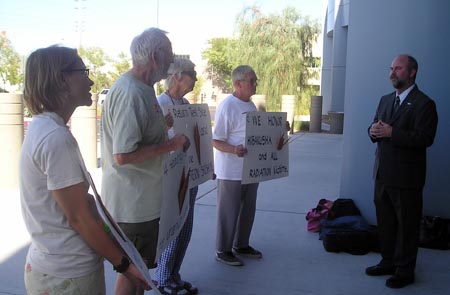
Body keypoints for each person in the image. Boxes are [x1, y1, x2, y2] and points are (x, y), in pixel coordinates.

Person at [19, 45, 150, 294]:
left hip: (51, 266)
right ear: (61, 80)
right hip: (68, 275)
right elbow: (78, 218)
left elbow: (76, 203)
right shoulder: (56, 138)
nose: (90, 80)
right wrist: (124, 265)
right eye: (83, 71)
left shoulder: (43, 128)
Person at [101, 28, 190, 295]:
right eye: (169, 57)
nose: (170, 65)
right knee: (132, 272)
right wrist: (172, 144)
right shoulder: (132, 92)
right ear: (155, 56)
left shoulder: (142, 88)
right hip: (133, 206)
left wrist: (161, 126)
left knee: (139, 273)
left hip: (141, 202)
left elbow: (138, 135)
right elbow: (123, 154)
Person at [367, 54, 438, 288]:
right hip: (383, 174)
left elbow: (425, 138)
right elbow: (375, 126)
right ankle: (387, 261)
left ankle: (405, 271)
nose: (392, 72)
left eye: (398, 68)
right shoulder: (385, 100)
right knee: (386, 222)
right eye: (391, 68)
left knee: (407, 226)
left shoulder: (424, 103)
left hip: (407, 178)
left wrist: (391, 133)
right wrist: (373, 131)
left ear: (412, 72)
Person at [154, 57, 199, 295]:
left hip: (189, 174)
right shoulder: (159, 104)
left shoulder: (185, 104)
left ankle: (174, 274)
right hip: (171, 177)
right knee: (172, 227)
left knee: (186, 228)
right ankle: (162, 278)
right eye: (193, 73)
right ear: (178, 76)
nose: (196, 79)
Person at [212, 65, 262, 266]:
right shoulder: (227, 106)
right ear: (237, 83)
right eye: (251, 80)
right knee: (228, 212)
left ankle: (241, 244)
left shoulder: (251, 105)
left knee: (248, 210)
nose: (255, 84)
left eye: (255, 80)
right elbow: (216, 140)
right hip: (231, 171)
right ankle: (222, 250)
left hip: (250, 169)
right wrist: (234, 150)